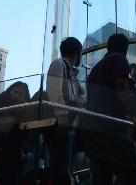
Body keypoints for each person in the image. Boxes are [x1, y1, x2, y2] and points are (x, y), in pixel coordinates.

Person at [81, 33, 136, 185]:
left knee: (101, 177)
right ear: (125, 48)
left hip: (94, 130)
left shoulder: (96, 68)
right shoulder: (118, 59)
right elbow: (122, 88)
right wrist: (134, 117)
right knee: (131, 173)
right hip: (113, 128)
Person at [46, 36, 85, 171]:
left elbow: (85, 94)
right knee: (59, 168)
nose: (82, 56)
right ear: (77, 52)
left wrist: (82, 99)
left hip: (70, 127)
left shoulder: (73, 74)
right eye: (81, 53)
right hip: (61, 127)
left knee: (66, 168)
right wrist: (63, 120)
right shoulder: (58, 64)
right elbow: (54, 93)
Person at [0, 81, 32, 185]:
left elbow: (24, 134)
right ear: (10, 91)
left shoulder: (25, 109)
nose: (17, 96)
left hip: (13, 152)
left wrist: (23, 112)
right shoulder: (0, 100)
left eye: (21, 94)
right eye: (15, 92)